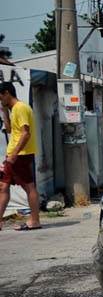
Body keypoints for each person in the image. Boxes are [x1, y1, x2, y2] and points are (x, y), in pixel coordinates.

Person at [0, 81, 41, 231]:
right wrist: (4, 112)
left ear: (6, 93)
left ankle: (35, 220)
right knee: (3, 186)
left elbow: (26, 133)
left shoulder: (21, 108)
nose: (0, 101)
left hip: (20, 155)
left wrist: (14, 155)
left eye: (1, 97)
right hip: (15, 154)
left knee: (29, 187)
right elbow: (11, 130)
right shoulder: (14, 109)